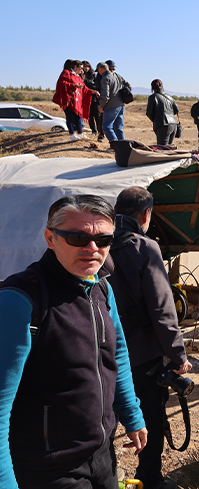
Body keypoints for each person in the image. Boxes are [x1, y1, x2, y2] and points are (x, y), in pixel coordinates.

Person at [0, 195, 146, 488]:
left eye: (103, 240)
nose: (92, 248)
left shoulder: (101, 287)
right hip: (47, 466)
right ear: (50, 238)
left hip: (101, 454)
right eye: (78, 238)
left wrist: (132, 413)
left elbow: (116, 354)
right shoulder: (20, 299)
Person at [108, 187, 191, 489]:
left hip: (103, 353)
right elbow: (162, 309)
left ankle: (105, 479)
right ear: (145, 215)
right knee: (150, 419)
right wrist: (179, 355)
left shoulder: (98, 244)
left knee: (105, 422)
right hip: (142, 357)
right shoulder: (145, 248)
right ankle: (150, 480)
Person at [53, 59, 94, 142]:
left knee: (78, 116)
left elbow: (84, 87)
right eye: (81, 68)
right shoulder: (66, 73)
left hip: (76, 101)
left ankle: (80, 133)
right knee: (70, 117)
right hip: (68, 100)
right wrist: (73, 85)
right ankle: (71, 134)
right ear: (75, 67)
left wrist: (92, 91)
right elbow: (61, 83)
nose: (82, 70)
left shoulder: (77, 76)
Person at [97, 61, 126, 142]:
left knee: (107, 127)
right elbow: (128, 85)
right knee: (118, 128)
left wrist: (101, 106)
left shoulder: (105, 78)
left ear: (100, 69)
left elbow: (105, 95)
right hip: (121, 105)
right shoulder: (117, 76)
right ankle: (123, 146)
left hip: (111, 106)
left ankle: (115, 146)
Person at [145, 79, 180, 146]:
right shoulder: (170, 97)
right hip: (173, 124)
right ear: (162, 87)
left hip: (163, 125)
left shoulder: (153, 97)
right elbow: (176, 110)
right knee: (169, 149)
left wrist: (156, 120)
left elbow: (149, 113)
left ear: (152, 88)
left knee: (162, 149)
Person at [81, 61, 101, 138]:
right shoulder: (80, 76)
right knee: (89, 116)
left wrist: (90, 88)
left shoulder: (94, 76)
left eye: (88, 66)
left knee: (97, 115)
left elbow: (97, 86)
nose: (86, 68)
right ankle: (93, 130)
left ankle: (100, 131)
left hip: (95, 98)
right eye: (84, 66)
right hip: (85, 99)